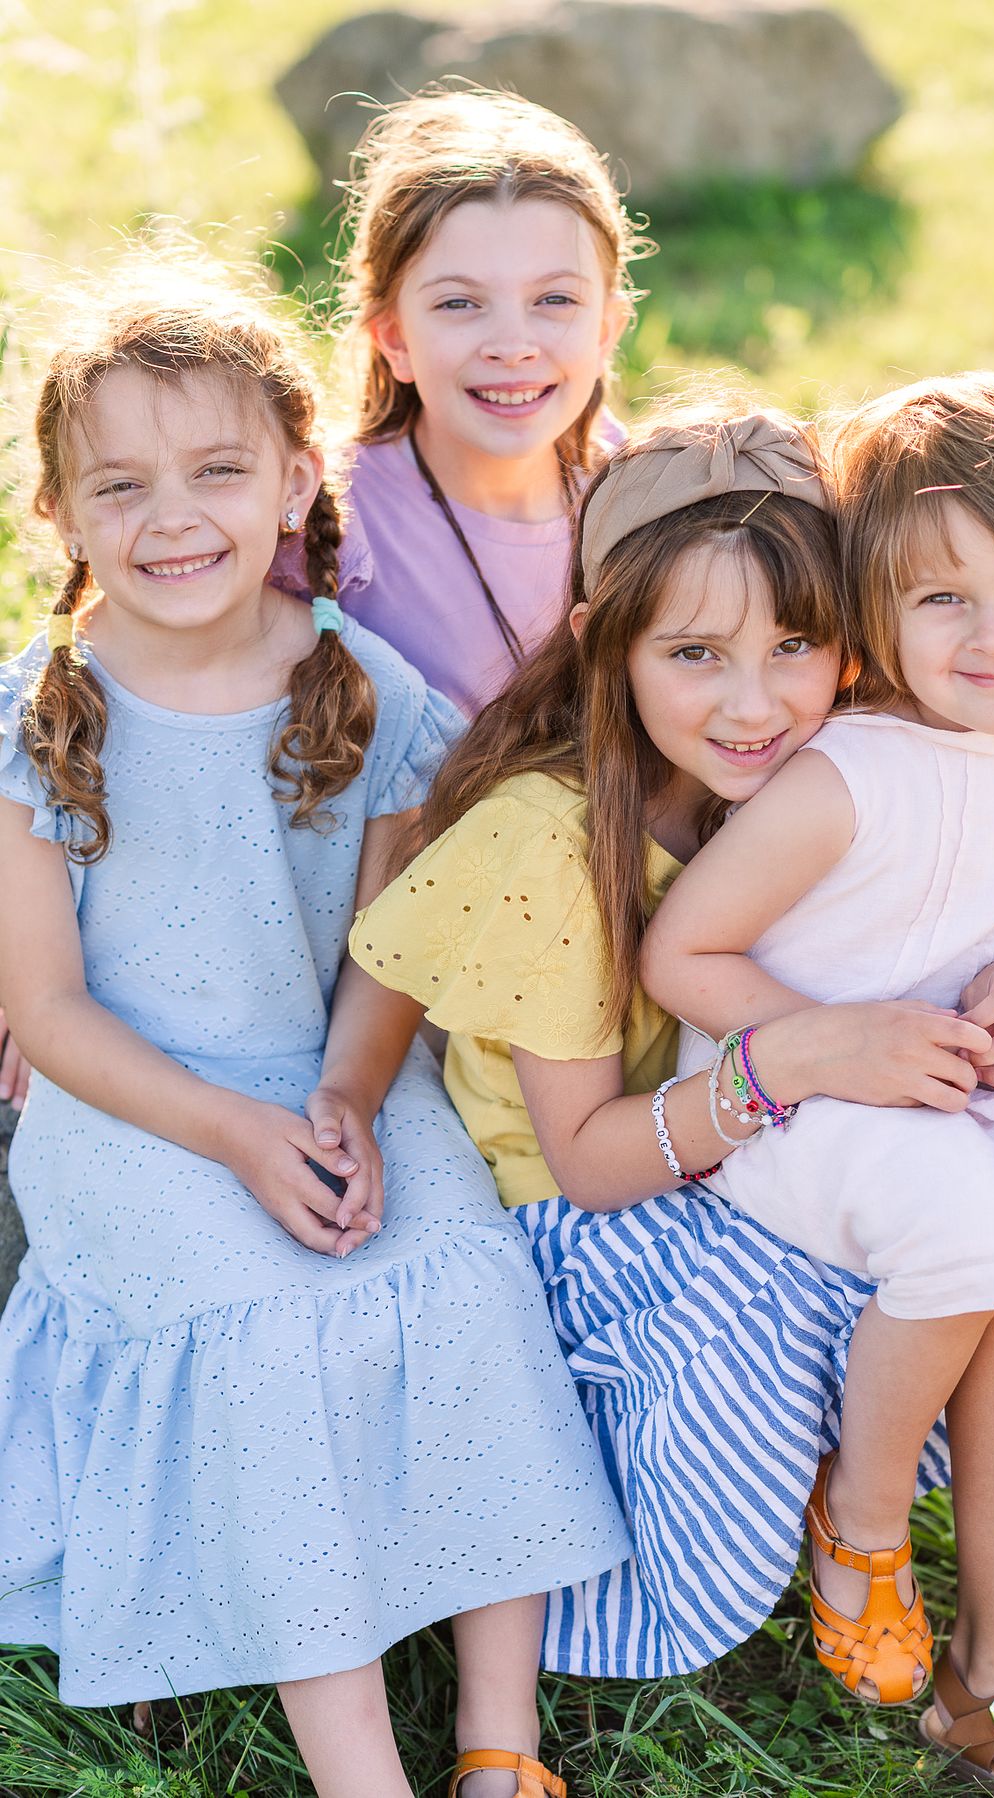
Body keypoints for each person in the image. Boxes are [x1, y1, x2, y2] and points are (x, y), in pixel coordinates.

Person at [352, 408, 994, 1798]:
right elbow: (596, 1164)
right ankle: (945, 1610)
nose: (754, 699)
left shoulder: (834, 758)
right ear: (605, 642)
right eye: (693, 654)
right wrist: (792, 1060)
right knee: (987, 1227)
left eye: (794, 646)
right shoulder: (555, 841)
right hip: (604, 1231)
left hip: (799, 1142)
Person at [0, 255, 631, 1798]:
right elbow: (50, 1016)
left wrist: (345, 1098)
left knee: (468, 1280)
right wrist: (239, 1135)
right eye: (121, 485)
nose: (174, 519)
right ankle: (365, 1775)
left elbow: (386, 950)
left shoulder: (358, 681)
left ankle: (501, 1742)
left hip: (338, 1065)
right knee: (266, 1331)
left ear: (296, 475)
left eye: (219, 471)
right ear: (60, 514)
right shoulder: (36, 714)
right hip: (133, 1109)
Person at [640, 378, 994, 1791]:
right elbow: (681, 952)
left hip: (964, 1074)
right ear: (871, 613)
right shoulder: (846, 778)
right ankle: (864, 1514)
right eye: (942, 598)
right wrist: (839, 1043)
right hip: (802, 1103)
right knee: (979, 1225)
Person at [271, 85, 643, 716]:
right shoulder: (321, 526)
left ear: (606, 330)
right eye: (459, 303)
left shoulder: (652, 493)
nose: (512, 345)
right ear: (395, 339)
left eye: (555, 299)